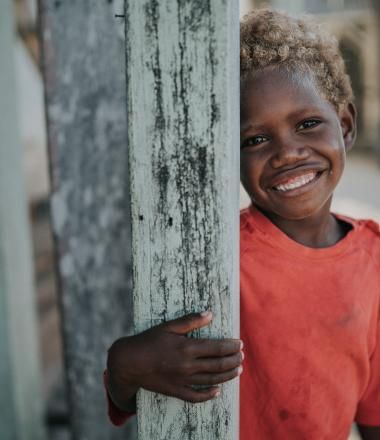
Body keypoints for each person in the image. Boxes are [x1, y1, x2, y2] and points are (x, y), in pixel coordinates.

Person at [104, 8, 380, 439]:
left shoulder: (374, 261)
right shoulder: (213, 257)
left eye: (307, 124)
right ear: (228, 156)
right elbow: (139, 393)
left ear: (344, 125)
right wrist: (124, 365)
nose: (288, 153)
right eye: (255, 139)